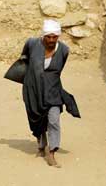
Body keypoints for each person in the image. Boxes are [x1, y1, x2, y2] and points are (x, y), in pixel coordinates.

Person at [21, 19, 80, 168]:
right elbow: (24, 58)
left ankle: (52, 152)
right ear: (44, 36)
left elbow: (58, 69)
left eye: (55, 37)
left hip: (53, 90)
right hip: (33, 90)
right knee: (38, 118)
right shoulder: (32, 44)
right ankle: (41, 144)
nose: (52, 40)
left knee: (53, 120)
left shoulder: (64, 50)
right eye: (49, 37)